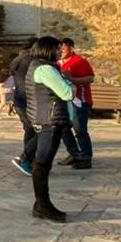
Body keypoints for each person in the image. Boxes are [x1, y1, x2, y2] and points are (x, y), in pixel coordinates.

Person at [24, 36, 76, 222]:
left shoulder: (36, 66)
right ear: (48, 49)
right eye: (57, 48)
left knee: (43, 163)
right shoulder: (45, 69)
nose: (60, 51)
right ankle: (42, 205)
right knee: (43, 163)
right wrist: (70, 84)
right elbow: (67, 93)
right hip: (50, 121)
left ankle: (42, 204)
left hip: (45, 119)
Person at [58, 38, 94, 170]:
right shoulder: (57, 63)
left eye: (64, 47)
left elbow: (90, 78)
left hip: (80, 102)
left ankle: (86, 157)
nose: (61, 50)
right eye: (59, 47)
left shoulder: (79, 61)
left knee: (79, 130)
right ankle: (74, 154)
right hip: (64, 102)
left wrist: (71, 79)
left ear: (71, 48)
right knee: (63, 128)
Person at [9, 37, 39, 177]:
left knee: (30, 130)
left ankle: (30, 159)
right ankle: (25, 158)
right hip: (28, 100)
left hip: (20, 100)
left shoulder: (18, 59)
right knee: (41, 131)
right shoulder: (31, 61)